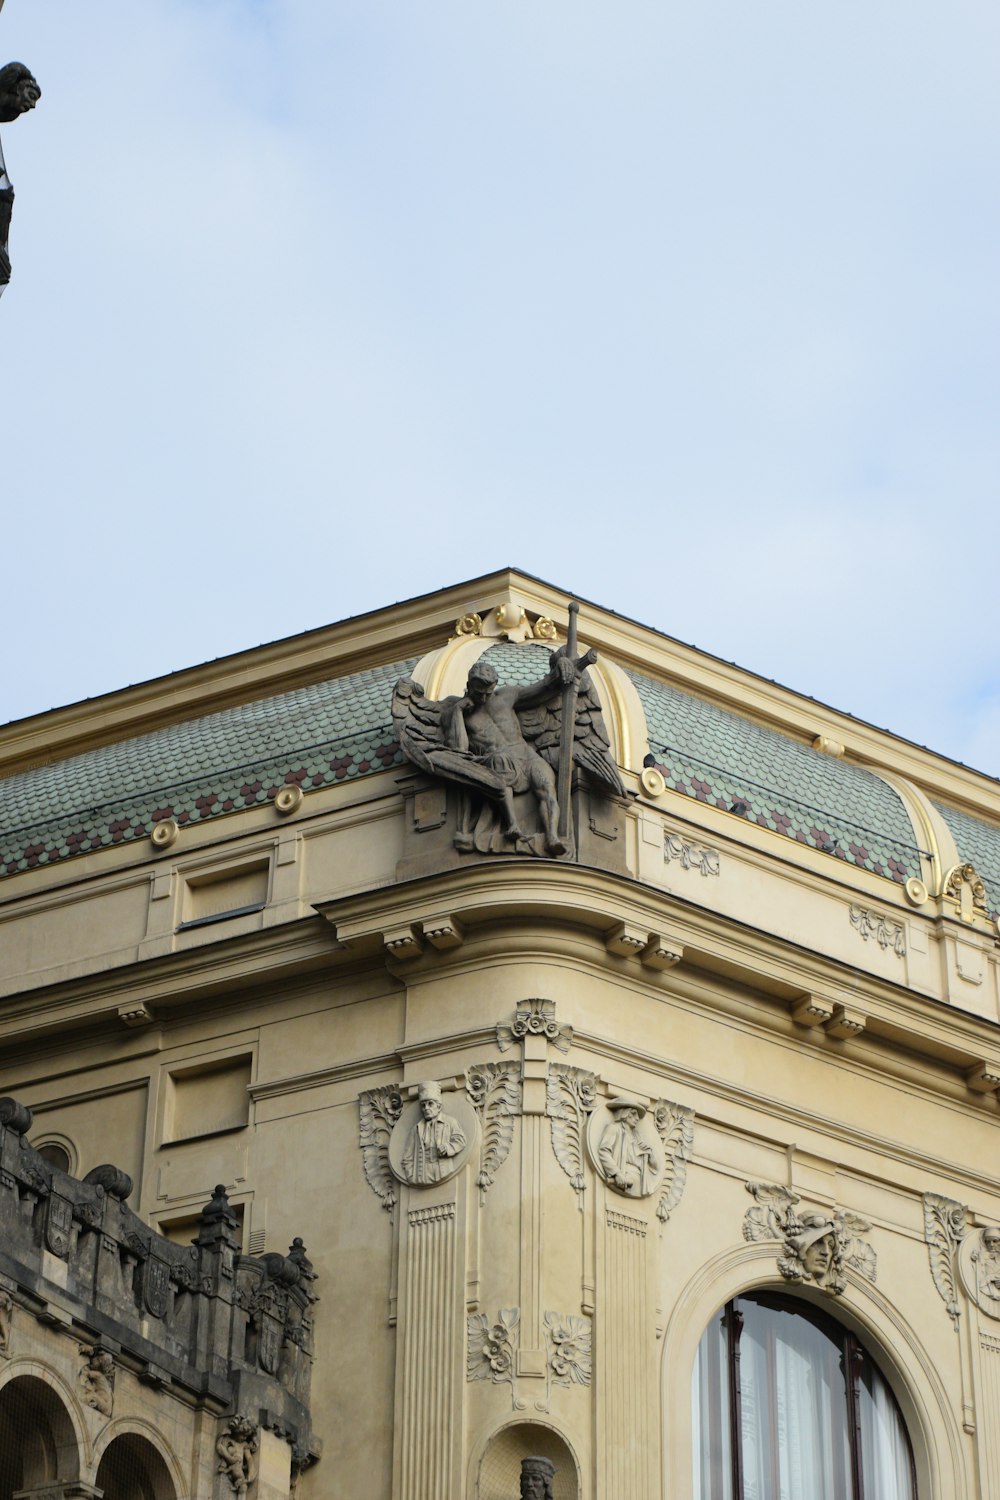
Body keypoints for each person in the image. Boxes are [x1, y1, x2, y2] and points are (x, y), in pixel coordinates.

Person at [442, 656, 579, 856]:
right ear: (469, 687)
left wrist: (561, 666)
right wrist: (458, 712)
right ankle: (512, 824)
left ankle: (552, 836)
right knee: (500, 760)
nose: (483, 698)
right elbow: (460, 749)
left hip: (525, 754)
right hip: (498, 761)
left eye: (488, 692)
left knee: (547, 788)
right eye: (479, 693)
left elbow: (544, 688)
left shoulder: (507, 696)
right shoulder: (458, 712)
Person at [401, 1081, 466, 1184]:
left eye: (430, 1104)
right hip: (422, 1174)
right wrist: (411, 1176)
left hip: (443, 1171)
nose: (426, 1108)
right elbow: (407, 1158)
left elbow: (460, 1140)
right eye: (423, 1105)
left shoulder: (450, 1122)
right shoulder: (416, 1129)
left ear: (439, 1106)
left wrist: (447, 1147)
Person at [598, 1098, 660, 1197]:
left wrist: (649, 1153)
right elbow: (604, 1152)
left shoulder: (638, 1136)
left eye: (638, 1115)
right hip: (625, 1177)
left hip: (641, 1181)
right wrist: (617, 1173)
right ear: (624, 1114)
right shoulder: (614, 1128)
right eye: (633, 1114)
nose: (637, 1118)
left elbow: (655, 1167)